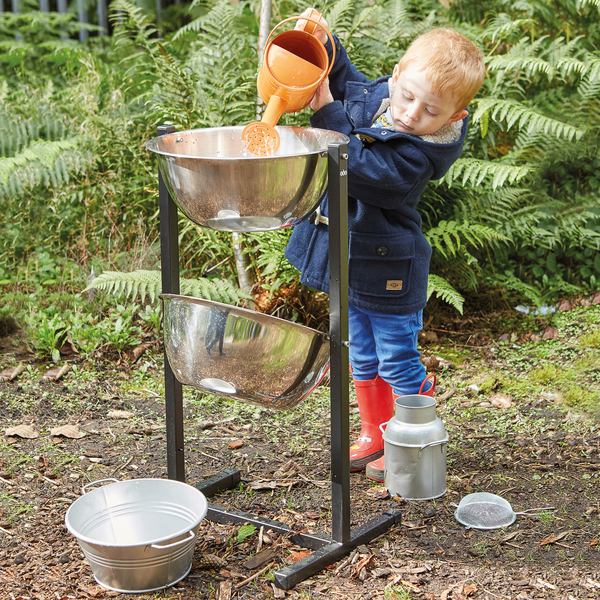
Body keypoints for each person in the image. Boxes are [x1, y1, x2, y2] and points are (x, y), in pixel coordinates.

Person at [284, 10, 485, 481]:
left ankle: (413, 441)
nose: (411, 113)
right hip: (351, 263)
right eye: (407, 95)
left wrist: (327, 116)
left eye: (430, 111)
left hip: (390, 270)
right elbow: (343, 76)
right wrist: (322, 41)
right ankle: (376, 432)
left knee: (396, 355)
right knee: (363, 353)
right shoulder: (381, 98)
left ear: (453, 117)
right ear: (396, 75)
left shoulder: (421, 153)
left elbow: (366, 173)